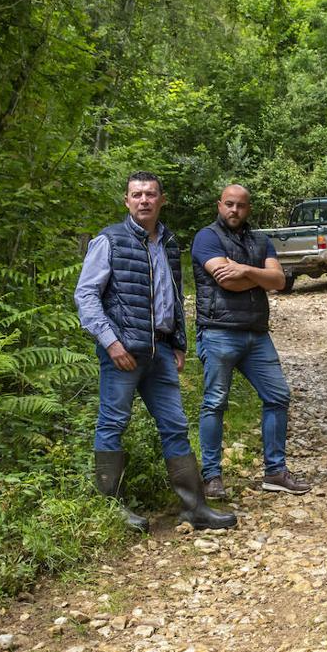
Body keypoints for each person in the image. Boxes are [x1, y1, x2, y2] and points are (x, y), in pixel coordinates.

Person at [74, 172, 236, 533]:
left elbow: (173, 297)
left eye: (150, 194)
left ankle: (195, 507)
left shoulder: (169, 242)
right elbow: (86, 296)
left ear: (162, 200)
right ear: (126, 201)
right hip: (123, 353)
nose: (144, 200)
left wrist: (178, 342)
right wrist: (111, 343)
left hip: (161, 352)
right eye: (137, 195)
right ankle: (111, 508)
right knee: (113, 424)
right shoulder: (109, 240)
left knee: (175, 426)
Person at [191, 184, 310, 497]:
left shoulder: (261, 239)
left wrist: (244, 268)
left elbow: (280, 280)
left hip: (256, 334)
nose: (234, 210)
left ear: (249, 208)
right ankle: (212, 477)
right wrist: (260, 277)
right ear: (219, 205)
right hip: (218, 331)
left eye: (240, 206)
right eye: (229, 204)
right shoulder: (207, 237)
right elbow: (224, 280)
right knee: (215, 402)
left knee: (278, 396)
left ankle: (275, 472)